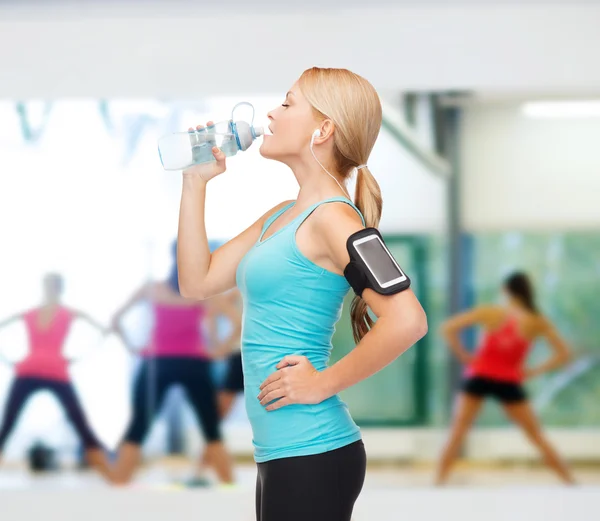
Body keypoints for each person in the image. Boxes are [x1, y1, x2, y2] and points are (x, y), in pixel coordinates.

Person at [177, 67, 427, 521]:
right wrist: (195, 183)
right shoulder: (281, 216)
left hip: (313, 452)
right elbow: (197, 282)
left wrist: (321, 383)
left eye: (288, 103)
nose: (272, 113)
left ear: (324, 128)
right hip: (280, 454)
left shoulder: (335, 220)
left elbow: (408, 320)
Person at [109, 241, 234, 485]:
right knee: (212, 430)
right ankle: (231, 490)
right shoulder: (202, 290)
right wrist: (219, 349)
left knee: (138, 427)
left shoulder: (152, 288)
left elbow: (116, 320)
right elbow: (237, 322)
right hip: (194, 365)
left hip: (157, 364)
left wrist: (132, 347)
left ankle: (118, 487)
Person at [436, 271, 575, 485]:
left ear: (506, 290)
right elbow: (564, 353)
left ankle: (438, 483)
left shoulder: (491, 313)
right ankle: (570, 483)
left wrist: (464, 355)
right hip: (507, 380)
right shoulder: (537, 321)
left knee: (458, 431)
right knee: (536, 435)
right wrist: (533, 371)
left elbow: (447, 328)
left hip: (480, 376)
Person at [0, 273, 111, 479]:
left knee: (79, 422)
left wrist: (78, 357)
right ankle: (109, 472)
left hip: (55, 372)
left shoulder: (67, 313)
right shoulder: (31, 313)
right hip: (29, 370)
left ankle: (108, 473)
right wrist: (7, 360)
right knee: (7, 423)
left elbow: (104, 331)